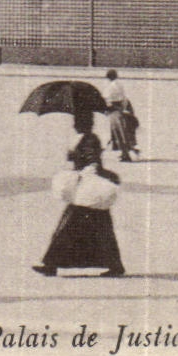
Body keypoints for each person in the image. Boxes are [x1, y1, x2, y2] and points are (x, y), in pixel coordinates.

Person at [33, 111, 125, 278]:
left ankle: (51, 265)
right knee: (102, 229)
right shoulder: (86, 138)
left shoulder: (88, 139)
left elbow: (91, 161)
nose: (75, 125)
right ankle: (114, 265)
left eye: (78, 122)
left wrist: (80, 167)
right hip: (90, 189)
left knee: (69, 226)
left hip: (88, 187)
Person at [103, 69, 139, 162]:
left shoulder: (111, 86)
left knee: (118, 133)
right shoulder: (119, 84)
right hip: (120, 110)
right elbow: (124, 99)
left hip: (114, 111)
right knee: (122, 133)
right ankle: (127, 152)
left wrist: (107, 109)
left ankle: (126, 154)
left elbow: (110, 100)